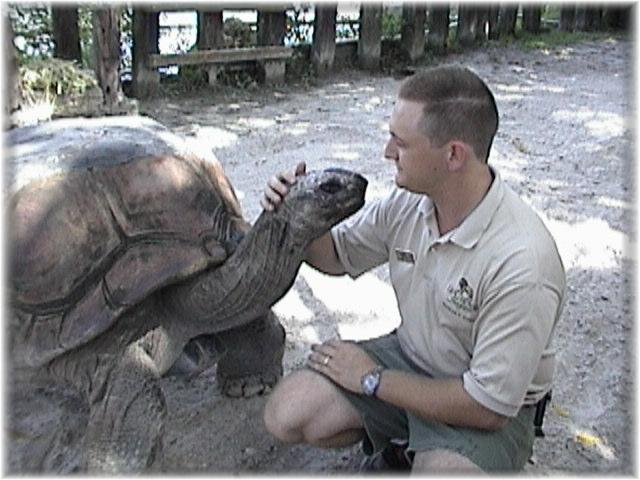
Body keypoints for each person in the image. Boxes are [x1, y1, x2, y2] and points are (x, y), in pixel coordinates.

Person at [260, 65, 566, 473]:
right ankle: (407, 438)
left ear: (453, 154)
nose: (388, 152)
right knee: (287, 413)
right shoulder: (411, 202)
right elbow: (335, 256)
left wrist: (372, 380)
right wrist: (298, 214)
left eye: (400, 142)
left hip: (480, 404)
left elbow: (488, 407)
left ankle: (432, 451)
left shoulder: (522, 262)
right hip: (411, 359)